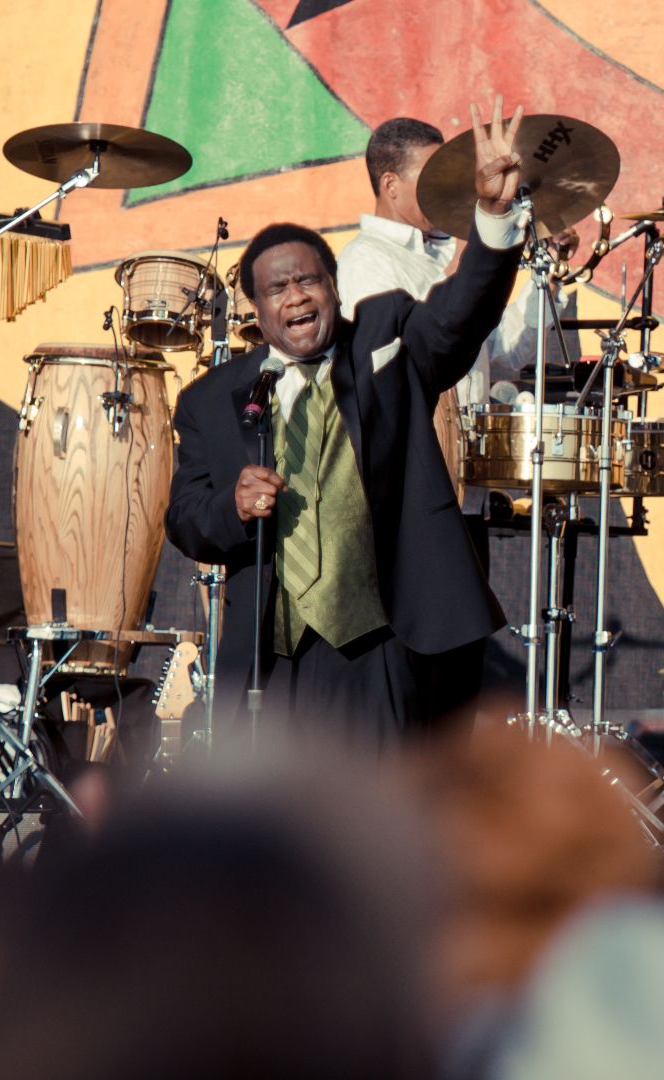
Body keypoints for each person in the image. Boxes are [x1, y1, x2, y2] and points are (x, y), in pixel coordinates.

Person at [163, 100, 527, 748]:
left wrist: (494, 222)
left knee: (380, 827)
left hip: (378, 644)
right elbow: (186, 516)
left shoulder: (383, 343)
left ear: (334, 287)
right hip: (271, 660)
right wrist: (233, 506)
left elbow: (456, 317)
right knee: (279, 838)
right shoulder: (211, 399)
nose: (296, 296)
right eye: (278, 289)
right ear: (259, 307)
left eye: (308, 280)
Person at [334, 116, 581, 727]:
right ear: (390, 185)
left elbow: (504, 357)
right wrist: (485, 244)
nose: (453, 187)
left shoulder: (440, 260)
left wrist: (557, 279)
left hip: (462, 504)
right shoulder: (366, 265)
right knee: (410, 701)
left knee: (453, 706)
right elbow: (428, 347)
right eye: (434, 176)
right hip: (401, 517)